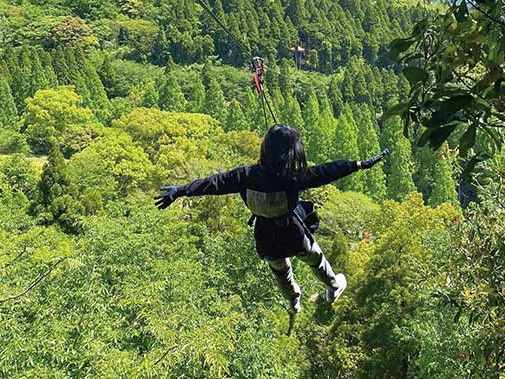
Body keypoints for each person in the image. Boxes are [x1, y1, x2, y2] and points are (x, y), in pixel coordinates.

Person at [155, 124, 389, 315]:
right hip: (293, 232)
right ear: (289, 153)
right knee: (315, 258)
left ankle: (293, 300)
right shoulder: (292, 177)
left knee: (281, 271)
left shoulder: (244, 175)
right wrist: (357, 165)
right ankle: (333, 286)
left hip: (265, 235)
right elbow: (326, 172)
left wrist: (180, 190)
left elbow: (212, 183)